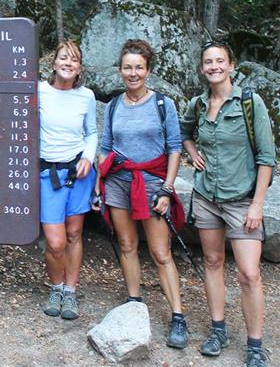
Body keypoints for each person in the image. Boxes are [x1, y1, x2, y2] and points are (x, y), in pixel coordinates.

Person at [181, 41, 275, 366]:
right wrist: (193, 155)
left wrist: (257, 204)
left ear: (231, 65)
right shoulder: (197, 104)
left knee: (249, 274)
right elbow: (185, 134)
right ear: (202, 68)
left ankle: (254, 345)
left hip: (242, 200)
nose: (214, 66)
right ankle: (218, 329)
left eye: (220, 61)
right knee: (213, 262)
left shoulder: (250, 103)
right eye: (208, 62)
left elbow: (266, 158)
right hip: (207, 198)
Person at [94, 39, 188, 348]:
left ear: (147, 70)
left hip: (151, 184)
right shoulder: (114, 106)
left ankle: (177, 316)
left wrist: (167, 188)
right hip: (119, 181)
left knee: (161, 253)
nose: (133, 73)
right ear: (120, 70)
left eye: (139, 67)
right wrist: (99, 184)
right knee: (127, 244)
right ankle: (134, 301)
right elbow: (105, 148)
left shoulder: (163, 104)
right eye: (127, 67)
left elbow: (174, 148)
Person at [39, 40, 98, 320]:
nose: (68, 63)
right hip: (47, 173)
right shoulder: (38, 91)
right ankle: (56, 286)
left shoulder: (85, 96)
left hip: (78, 173)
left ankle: (70, 292)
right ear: (54, 62)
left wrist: (88, 156)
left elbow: (92, 132)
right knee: (55, 241)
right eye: (64, 58)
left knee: (74, 234)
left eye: (74, 60)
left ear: (79, 68)